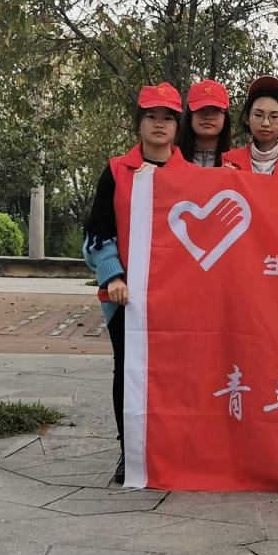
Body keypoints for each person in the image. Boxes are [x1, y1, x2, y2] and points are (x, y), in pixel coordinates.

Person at [83, 83, 187, 484]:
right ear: (139, 123)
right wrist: (113, 274)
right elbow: (97, 230)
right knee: (127, 371)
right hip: (125, 298)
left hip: (174, 299)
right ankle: (131, 452)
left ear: (177, 127)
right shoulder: (115, 171)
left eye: (167, 118)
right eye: (151, 116)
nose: (159, 124)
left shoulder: (192, 177)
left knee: (174, 375)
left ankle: (170, 451)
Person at [221, 75, 278, 177]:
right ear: (247, 118)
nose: (266, 123)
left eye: (274, 117)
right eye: (258, 115)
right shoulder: (228, 161)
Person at [179, 79, 231, 167]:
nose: (208, 116)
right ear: (190, 115)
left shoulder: (237, 163)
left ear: (225, 117)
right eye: (200, 109)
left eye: (215, 110)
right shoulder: (170, 158)